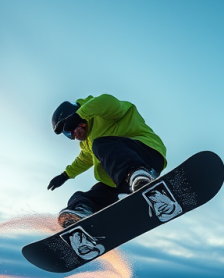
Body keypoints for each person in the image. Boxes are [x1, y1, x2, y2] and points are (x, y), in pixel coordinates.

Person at [47, 94, 167, 228]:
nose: (73, 136)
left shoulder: (103, 114)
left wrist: (79, 115)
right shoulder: (88, 142)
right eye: (68, 136)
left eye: (69, 131)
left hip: (146, 154)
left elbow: (106, 101)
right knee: (92, 194)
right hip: (123, 178)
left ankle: (138, 174)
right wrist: (65, 175)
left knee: (100, 144)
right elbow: (83, 160)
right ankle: (81, 215)